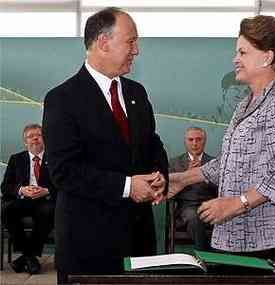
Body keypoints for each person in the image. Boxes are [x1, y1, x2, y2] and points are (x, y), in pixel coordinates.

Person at [169, 15, 275, 263]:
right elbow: (230, 162)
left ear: (267, 57)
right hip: (242, 237)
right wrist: (183, 179)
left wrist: (236, 204)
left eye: (243, 52)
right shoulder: (245, 104)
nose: (235, 59)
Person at [42, 7, 168, 283]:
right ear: (103, 42)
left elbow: (152, 143)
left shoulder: (137, 92)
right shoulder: (62, 99)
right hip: (89, 245)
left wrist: (160, 177)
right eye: (131, 41)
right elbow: (64, 172)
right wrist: (127, 187)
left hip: (139, 241)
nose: (137, 50)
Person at [1, 123, 56, 274]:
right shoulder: (16, 159)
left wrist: (46, 190)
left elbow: (63, 184)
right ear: (25, 142)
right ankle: (30, 257)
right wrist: (21, 190)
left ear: (44, 139)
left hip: (45, 201)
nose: (35, 139)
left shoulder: (54, 158)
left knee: (47, 212)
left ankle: (25, 258)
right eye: (30, 137)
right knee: (7, 211)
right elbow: (5, 187)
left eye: (38, 135)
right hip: (23, 201)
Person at [168, 127, 217, 250]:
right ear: (185, 142)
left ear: (204, 141)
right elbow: (169, 193)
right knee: (194, 217)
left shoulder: (214, 163)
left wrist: (205, 176)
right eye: (191, 140)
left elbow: (221, 189)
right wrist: (186, 176)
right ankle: (207, 255)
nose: (194, 143)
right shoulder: (175, 163)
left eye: (198, 139)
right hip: (186, 207)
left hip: (210, 205)